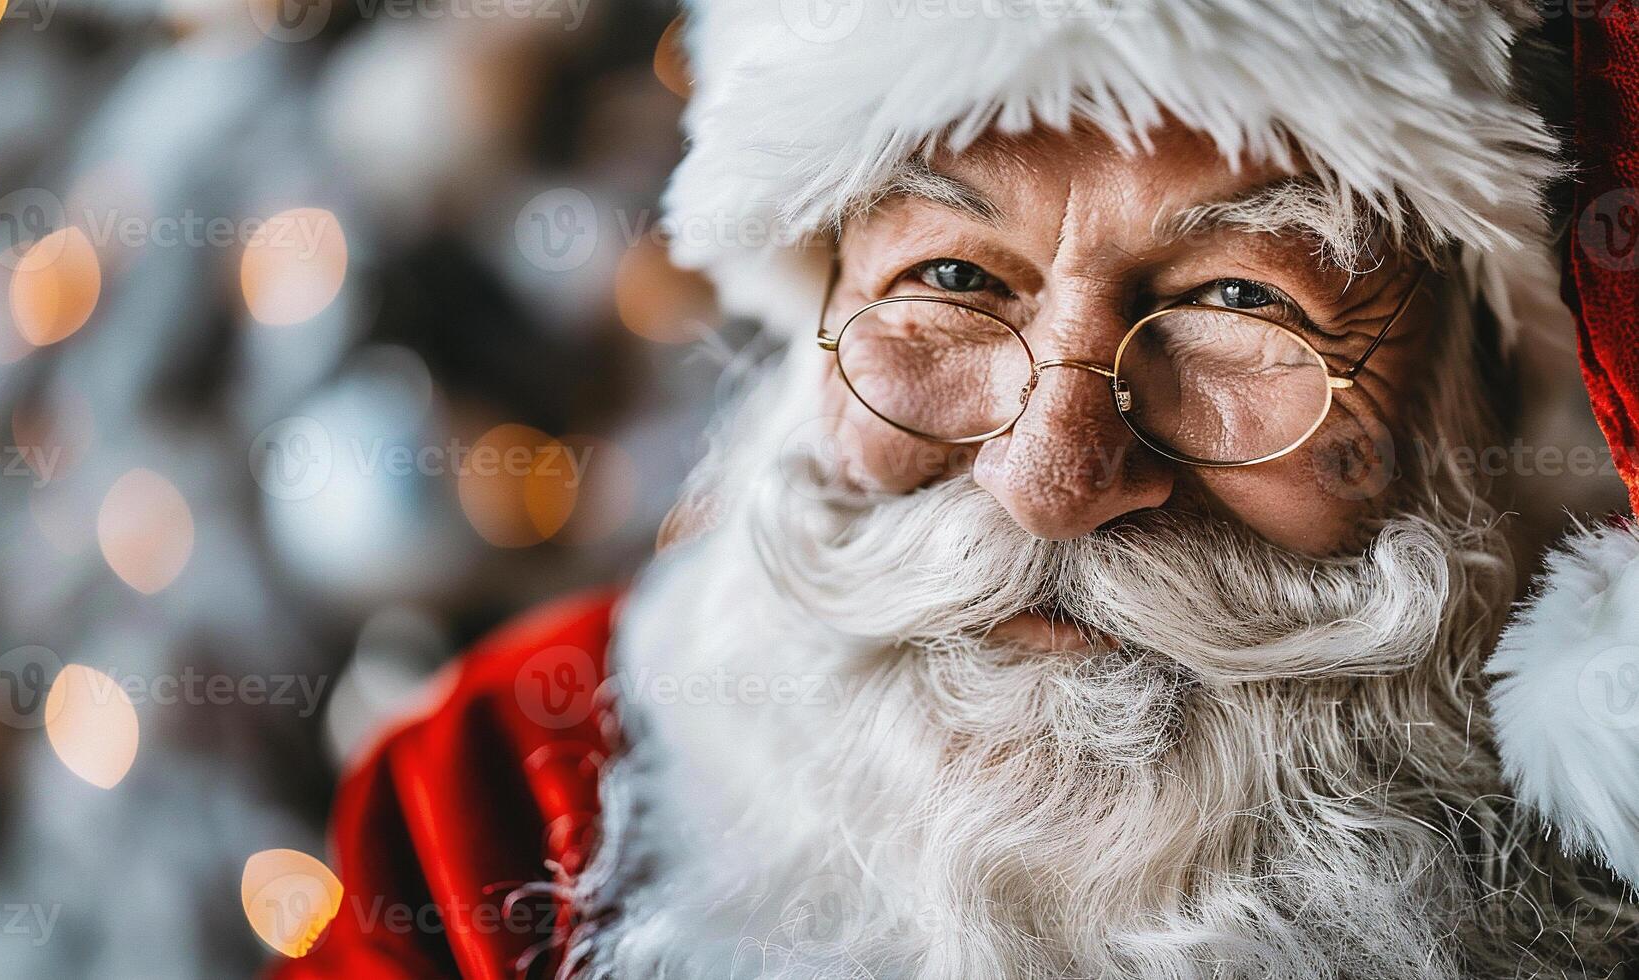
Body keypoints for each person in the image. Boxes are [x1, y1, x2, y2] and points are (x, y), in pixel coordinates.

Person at [276, 0, 1639, 976]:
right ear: (817, 301)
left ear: (1482, 395)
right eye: (950, 278)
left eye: (1238, 301)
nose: (1050, 477)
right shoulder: (502, 800)